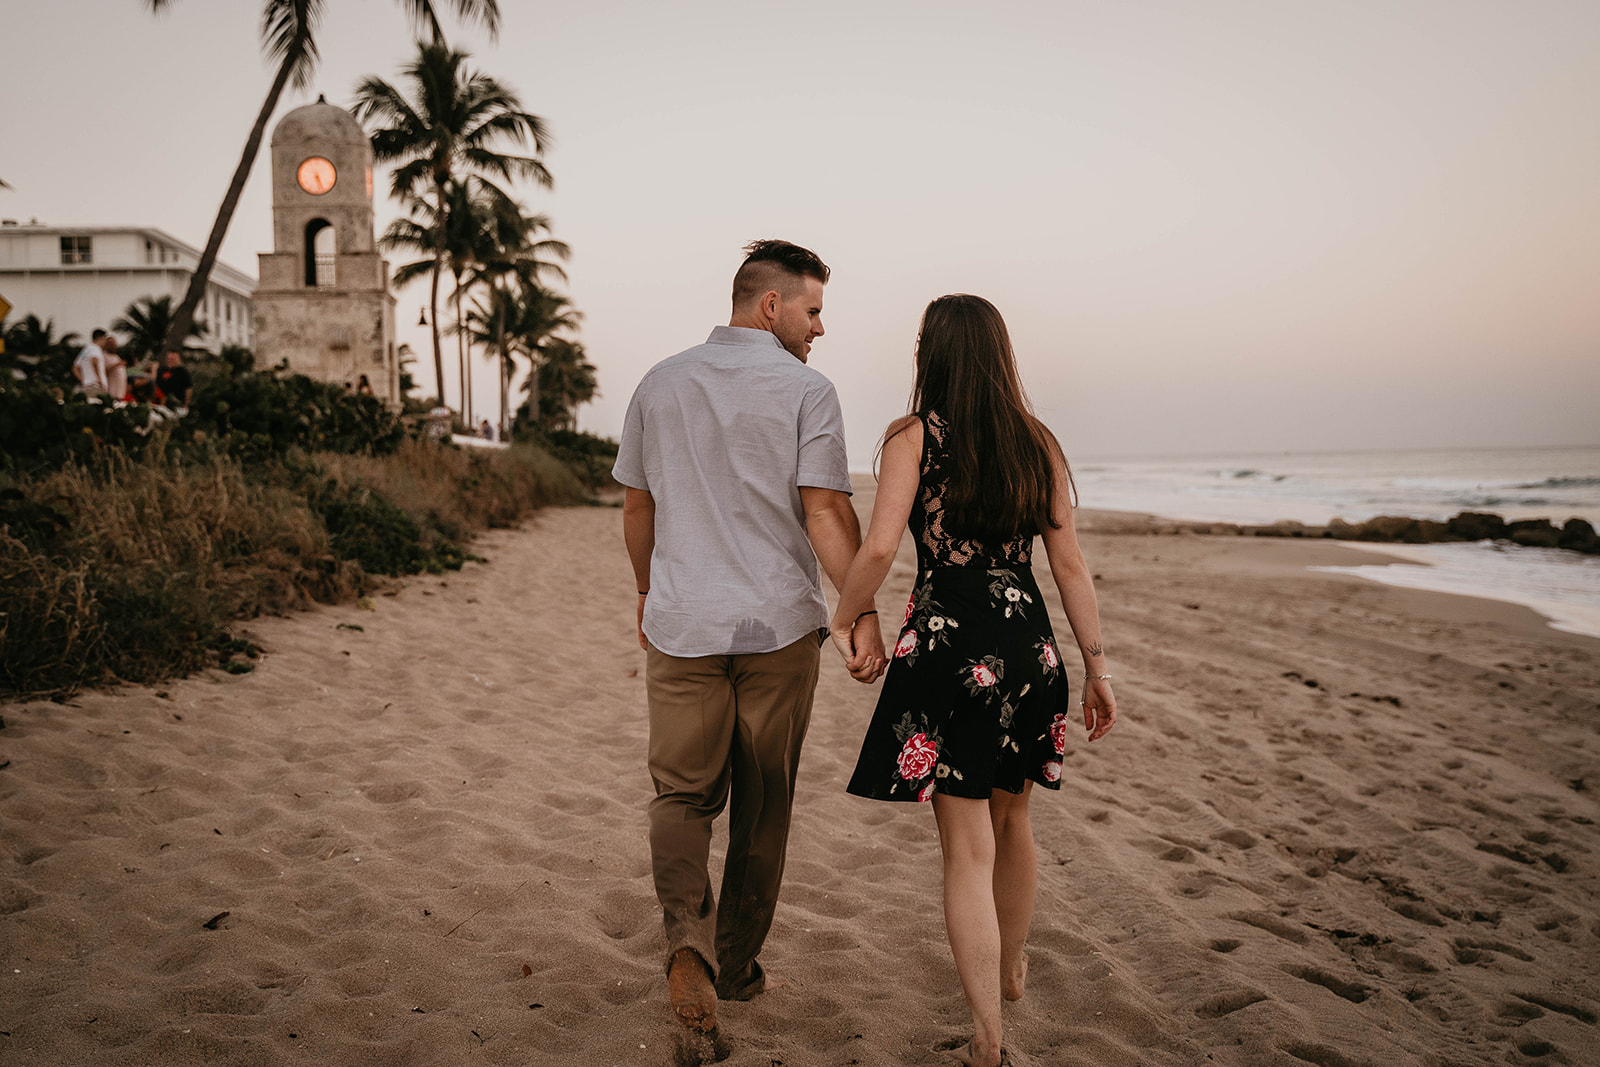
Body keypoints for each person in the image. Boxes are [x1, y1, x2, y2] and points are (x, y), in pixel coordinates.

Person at [827, 294, 1117, 1067]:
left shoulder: (913, 436)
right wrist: (1097, 665)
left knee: (965, 849)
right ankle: (1012, 968)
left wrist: (846, 613)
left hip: (951, 649)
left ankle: (989, 1039)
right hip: (1031, 652)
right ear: (1000, 353)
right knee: (1015, 820)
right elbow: (1070, 565)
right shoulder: (1037, 442)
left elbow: (884, 546)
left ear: (932, 353)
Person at [613, 239, 888, 1038]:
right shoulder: (808, 390)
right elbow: (827, 511)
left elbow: (638, 508)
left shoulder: (659, 383)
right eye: (813, 310)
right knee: (762, 802)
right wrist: (860, 609)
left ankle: (685, 946)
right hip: (777, 627)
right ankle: (733, 966)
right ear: (771, 306)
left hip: (684, 621)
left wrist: (644, 587)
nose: (820, 328)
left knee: (682, 795)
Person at [155, 348, 194, 412]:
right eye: (169, 359)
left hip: (174, 403)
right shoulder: (162, 370)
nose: (171, 361)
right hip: (158, 401)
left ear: (179, 359)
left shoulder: (183, 372)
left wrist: (186, 405)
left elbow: (189, 388)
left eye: (173, 359)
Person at [72, 329, 109, 395]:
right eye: (104, 339)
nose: (105, 342)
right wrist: (99, 379)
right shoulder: (96, 348)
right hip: (96, 385)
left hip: (87, 385)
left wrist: (83, 380)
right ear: (100, 338)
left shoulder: (85, 349)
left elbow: (75, 367)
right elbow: (94, 361)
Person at [101, 335, 129, 401]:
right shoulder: (104, 356)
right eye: (110, 344)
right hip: (112, 391)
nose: (113, 345)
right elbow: (104, 371)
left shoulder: (116, 356)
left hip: (120, 391)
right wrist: (117, 364)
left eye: (114, 343)